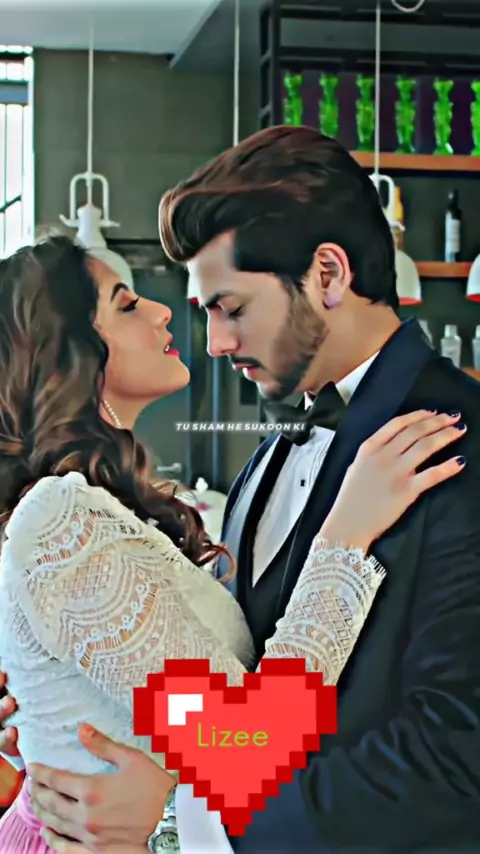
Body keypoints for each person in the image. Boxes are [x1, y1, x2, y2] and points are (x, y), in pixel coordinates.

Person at [1, 125, 479, 854]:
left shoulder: (457, 439)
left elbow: (455, 755)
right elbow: (229, 712)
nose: (214, 342)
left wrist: (180, 817)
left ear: (328, 275)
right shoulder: (264, 464)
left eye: (231, 307)